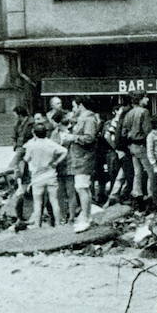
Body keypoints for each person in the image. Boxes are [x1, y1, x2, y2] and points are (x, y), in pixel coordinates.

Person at [22, 123, 68, 228]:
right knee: (54, 200)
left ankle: (38, 225)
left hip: (37, 177)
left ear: (34, 133)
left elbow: (26, 159)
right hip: (51, 174)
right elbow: (64, 151)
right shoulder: (50, 143)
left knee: (38, 203)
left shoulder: (31, 145)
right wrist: (56, 162)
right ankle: (58, 223)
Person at [65, 95, 100, 233]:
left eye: (74, 106)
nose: (73, 109)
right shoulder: (84, 118)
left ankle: (86, 218)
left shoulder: (89, 119)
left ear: (80, 106)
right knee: (83, 187)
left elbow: (89, 138)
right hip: (80, 158)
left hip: (84, 158)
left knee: (81, 187)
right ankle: (86, 216)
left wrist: (73, 137)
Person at [123, 90, 155, 211]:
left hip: (132, 146)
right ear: (140, 99)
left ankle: (137, 196)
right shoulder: (144, 112)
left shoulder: (129, 113)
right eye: (146, 98)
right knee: (151, 172)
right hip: (142, 145)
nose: (147, 100)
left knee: (138, 172)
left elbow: (124, 132)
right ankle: (151, 197)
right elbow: (148, 131)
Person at [50, 110, 78, 223]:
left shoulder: (73, 130)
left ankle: (71, 216)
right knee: (60, 192)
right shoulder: (54, 133)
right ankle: (62, 216)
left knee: (71, 191)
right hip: (58, 165)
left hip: (71, 163)